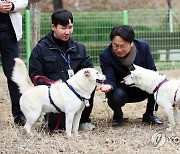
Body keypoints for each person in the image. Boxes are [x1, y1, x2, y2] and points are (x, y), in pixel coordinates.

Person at [29, 9, 95, 132]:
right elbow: (35, 76)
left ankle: (83, 120)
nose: (67, 32)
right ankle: (47, 117)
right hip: (55, 96)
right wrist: (53, 85)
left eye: (70, 27)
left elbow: (89, 68)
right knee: (57, 129)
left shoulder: (79, 47)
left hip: (76, 92)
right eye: (63, 28)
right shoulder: (41, 49)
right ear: (53, 27)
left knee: (89, 85)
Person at [99, 25, 163, 127]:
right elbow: (110, 78)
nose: (119, 49)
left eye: (123, 46)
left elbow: (152, 71)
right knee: (114, 95)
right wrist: (109, 86)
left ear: (131, 43)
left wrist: (137, 80)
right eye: (115, 45)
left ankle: (150, 114)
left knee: (157, 82)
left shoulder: (143, 47)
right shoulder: (105, 56)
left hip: (142, 87)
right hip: (122, 90)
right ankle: (118, 115)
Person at [0, 0, 28, 126]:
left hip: (10, 31)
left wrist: (12, 5)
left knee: (13, 73)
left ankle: (19, 114)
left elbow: (24, 1)